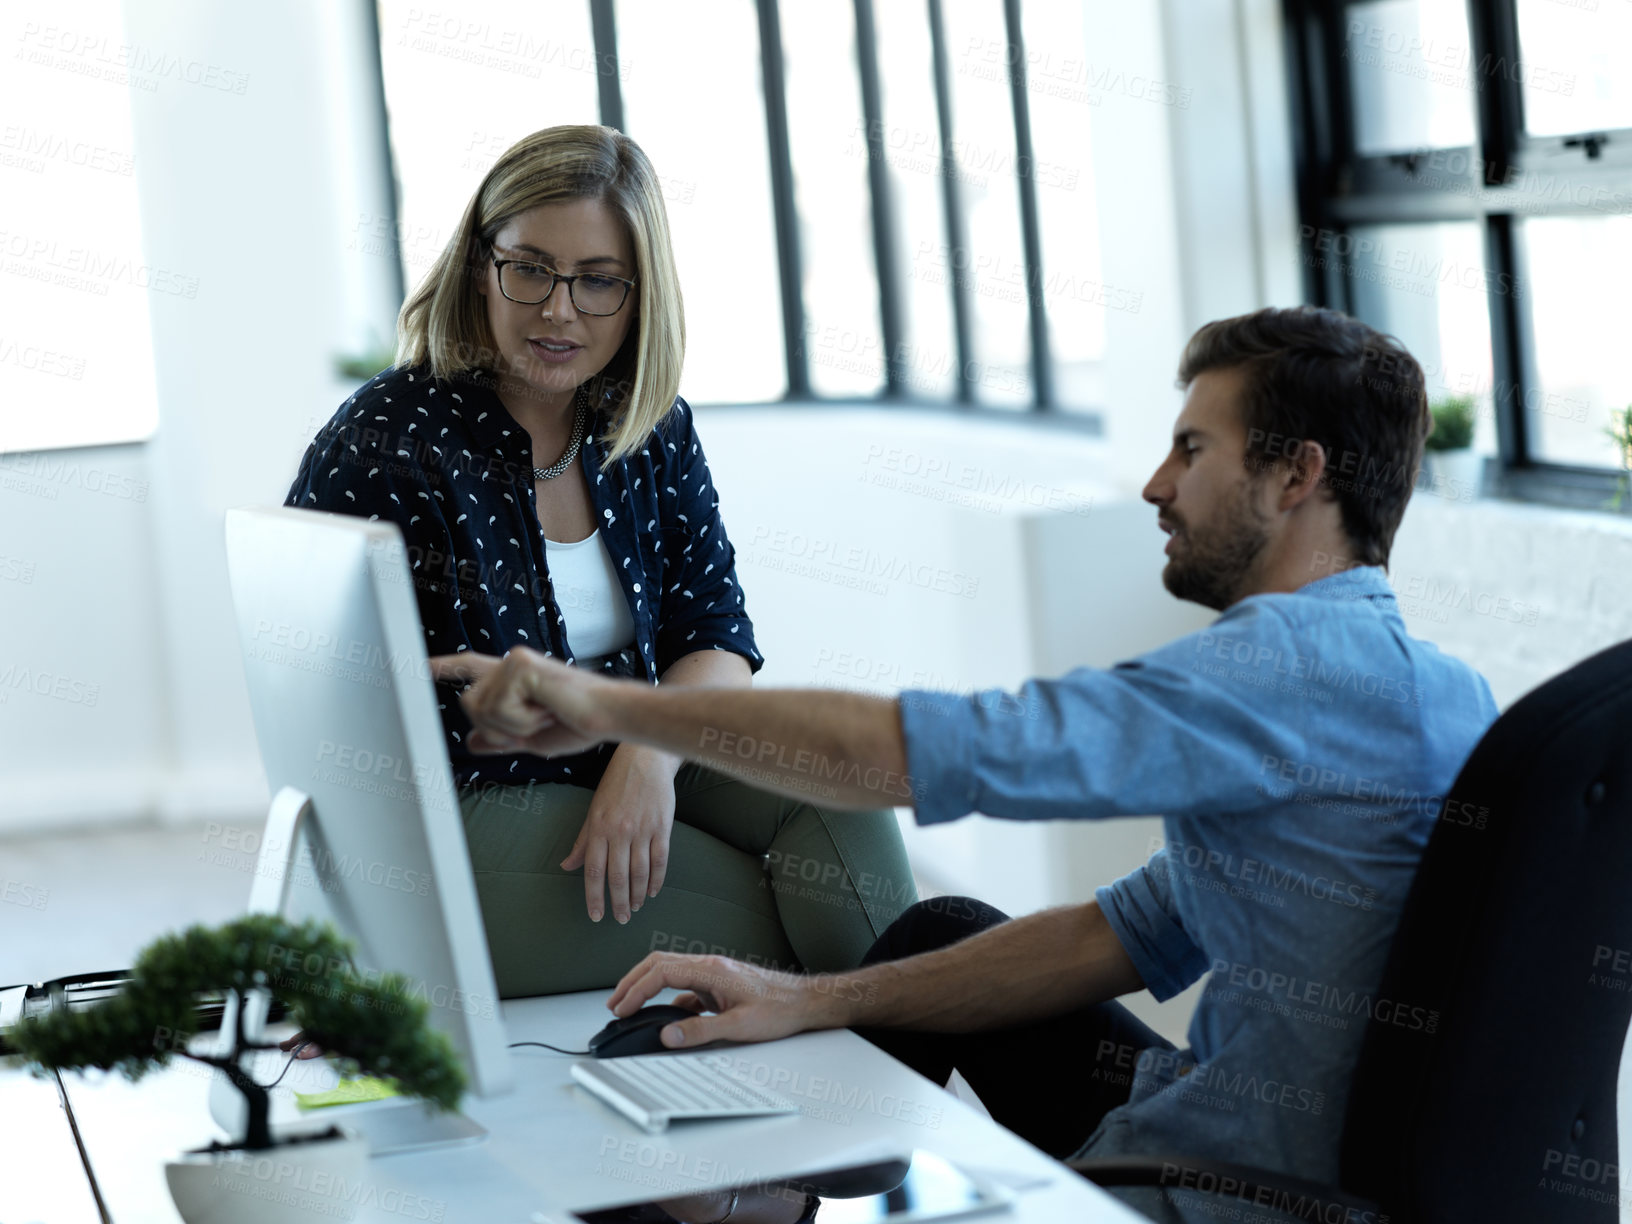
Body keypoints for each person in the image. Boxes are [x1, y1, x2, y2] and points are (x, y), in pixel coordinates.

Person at [431, 306, 1500, 1224]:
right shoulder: (1434, 686)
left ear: (1295, 475)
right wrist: (813, 1000)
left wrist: (614, 710)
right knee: (945, 927)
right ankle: (775, 1190)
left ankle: (741, 1199)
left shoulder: (1273, 673)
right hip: (1246, 1142)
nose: (1155, 484)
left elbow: (927, 750)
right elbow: (1115, 935)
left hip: (1210, 1191)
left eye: (1192, 449)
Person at [285, 124, 916, 999]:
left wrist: (649, 755)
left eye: (598, 282)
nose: (558, 310)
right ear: (481, 263)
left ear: (639, 291)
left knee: (840, 796)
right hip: (459, 807)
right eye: (531, 268)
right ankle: (912, 1094)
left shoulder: (649, 425)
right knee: (804, 922)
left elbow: (716, 635)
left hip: (625, 742)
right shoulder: (383, 437)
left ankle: (908, 1108)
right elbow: (307, 695)